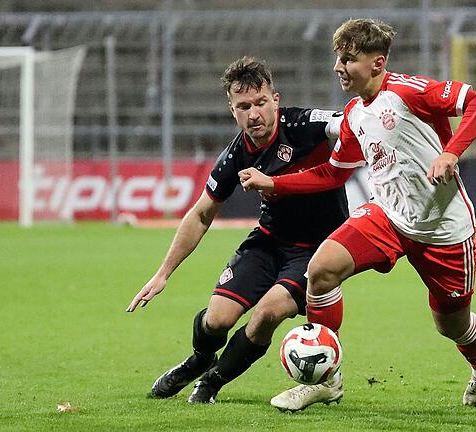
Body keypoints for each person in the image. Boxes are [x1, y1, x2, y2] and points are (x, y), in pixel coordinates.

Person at [240, 18, 476, 412]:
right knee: (322, 268)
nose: (338, 67)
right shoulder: (353, 115)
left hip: (443, 228)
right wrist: (275, 184)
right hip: (387, 216)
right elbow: (333, 173)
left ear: (377, 63)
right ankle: (327, 380)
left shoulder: (410, 92)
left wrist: (451, 153)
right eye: (337, 59)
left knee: (451, 323)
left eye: (348, 59)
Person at [126, 56, 348, 405]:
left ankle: (211, 383)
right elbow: (201, 215)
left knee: (267, 314)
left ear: (276, 99)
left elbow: (347, 122)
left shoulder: (305, 124)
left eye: (260, 102)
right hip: (269, 242)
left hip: (317, 250)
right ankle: (199, 361)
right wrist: (163, 274)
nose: (254, 113)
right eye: (243, 106)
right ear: (233, 111)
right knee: (216, 320)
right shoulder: (236, 155)